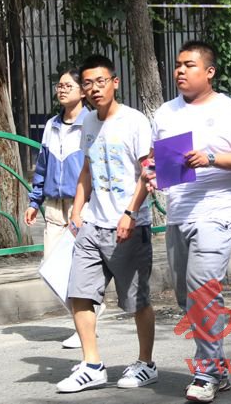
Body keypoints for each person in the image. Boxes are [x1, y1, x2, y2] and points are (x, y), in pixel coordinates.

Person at [145, 41, 231, 402]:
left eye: (189, 65)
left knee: (202, 289)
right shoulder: (165, 112)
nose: (180, 71)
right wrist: (150, 172)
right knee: (187, 297)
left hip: (217, 211)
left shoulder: (230, 110)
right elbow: (154, 158)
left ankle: (206, 371)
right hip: (179, 213)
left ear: (209, 72)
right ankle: (218, 368)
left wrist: (210, 158)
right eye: (178, 65)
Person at [56, 55, 157, 392]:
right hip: (92, 225)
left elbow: (147, 172)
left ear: (115, 82)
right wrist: (77, 211)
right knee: (79, 294)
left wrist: (130, 212)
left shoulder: (134, 121)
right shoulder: (88, 122)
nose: (94, 89)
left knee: (137, 300)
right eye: (88, 83)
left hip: (129, 226)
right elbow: (87, 168)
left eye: (101, 82)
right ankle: (92, 365)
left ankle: (146, 363)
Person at [24, 68, 106, 349]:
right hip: (53, 206)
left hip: (81, 204)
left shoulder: (91, 122)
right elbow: (42, 165)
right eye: (59, 86)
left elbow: (96, 166)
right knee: (51, 267)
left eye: (67, 86)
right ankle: (90, 312)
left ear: (82, 91)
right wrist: (34, 201)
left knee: (77, 269)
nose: (61, 90)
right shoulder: (51, 125)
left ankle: (83, 326)